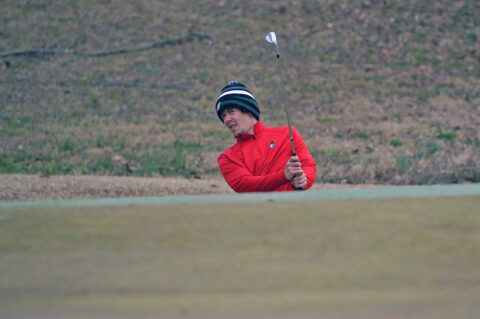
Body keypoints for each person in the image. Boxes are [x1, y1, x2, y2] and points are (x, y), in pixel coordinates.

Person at [215, 80, 316, 192]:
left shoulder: (287, 134)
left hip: (294, 208)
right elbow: (245, 185)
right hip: (260, 209)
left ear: (248, 110)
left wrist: (304, 179)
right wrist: (284, 176)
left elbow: (308, 166)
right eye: (223, 116)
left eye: (231, 112)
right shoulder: (227, 158)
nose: (226, 119)